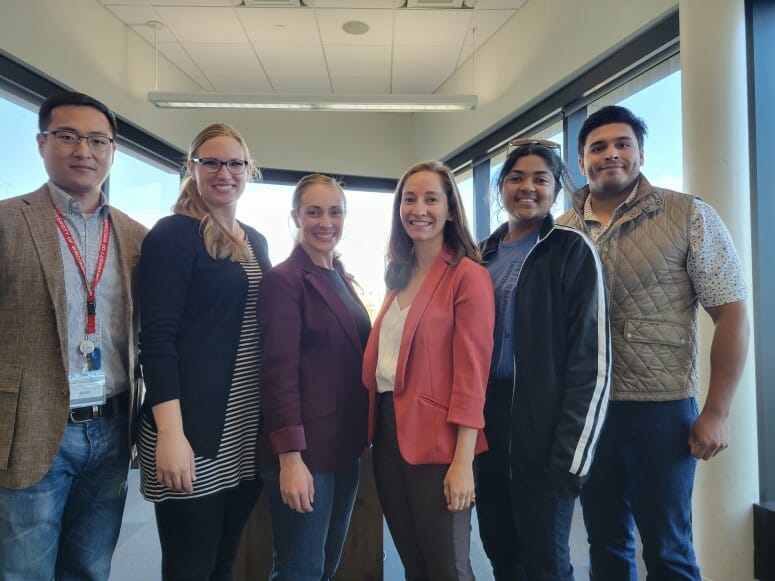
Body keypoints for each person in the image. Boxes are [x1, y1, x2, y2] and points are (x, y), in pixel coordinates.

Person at [556, 105, 749, 580]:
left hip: (661, 412)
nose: (611, 154)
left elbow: (732, 313)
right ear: (582, 163)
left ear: (641, 152)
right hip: (588, 413)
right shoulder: (560, 231)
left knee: (667, 550)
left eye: (622, 144)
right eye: (597, 148)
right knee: (605, 543)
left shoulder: (689, 215)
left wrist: (717, 411)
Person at [0, 91, 147, 580]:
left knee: (90, 567)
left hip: (111, 427)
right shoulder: (7, 222)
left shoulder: (135, 236)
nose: (84, 150)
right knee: (24, 570)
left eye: (97, 140)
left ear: (111, 151)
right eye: (67, 136)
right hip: (31, 426)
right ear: (42, 143)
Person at [135, 123, 270, 580]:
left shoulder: (256, 240)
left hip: (243, 431)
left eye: (234, 162)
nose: (223, 172)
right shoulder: (173, 235)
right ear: (191, 168)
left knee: (223, 562)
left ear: (248, 169)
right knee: (189, 567)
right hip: (191, 433)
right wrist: (171, 435)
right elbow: (156, 340)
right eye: (210, 161)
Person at [475, 139, 611, 581]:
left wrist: (572, 455)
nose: (527, 187)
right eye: (516, 178)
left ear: (556, 189)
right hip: (486, 428)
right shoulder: (482, 255)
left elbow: (590, 361)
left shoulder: (571, 250)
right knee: (500, 550)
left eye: (540, 179)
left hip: (546, 431)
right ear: (501, 188)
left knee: (545, 563)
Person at [362, 160, 495, 580]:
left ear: (451, 210)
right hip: (387, 436)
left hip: (441, 442)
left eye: (431, 199)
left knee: (448, 568)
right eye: (409, 199)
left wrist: (462, 461)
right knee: (414, 565)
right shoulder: (397, 277)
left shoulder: (467, 276)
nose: (418, 208)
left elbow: (473, 375)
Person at [257, 173, 370, 580]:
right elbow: (277, 373)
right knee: (298, 568)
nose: (326, 222)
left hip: (343, 448)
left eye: (335, 212)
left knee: (324, 566)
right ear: (296, 217)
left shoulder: (339, 275)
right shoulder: (283, 280)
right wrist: (290, 458)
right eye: (314, 212)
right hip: (304, 454)